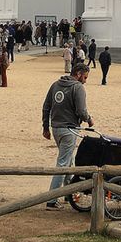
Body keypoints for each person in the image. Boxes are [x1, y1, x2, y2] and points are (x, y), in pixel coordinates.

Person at [42, 59, 93, 210]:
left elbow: (46, 107)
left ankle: (69, 193)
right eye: (85, 78)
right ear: (78, 74)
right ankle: (52, 199)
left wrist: (45, 127)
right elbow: (81, 111)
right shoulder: (77, 88)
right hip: (69, 129)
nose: (85, 81)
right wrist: (89, 119)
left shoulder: (56, 84)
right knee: (63, 164)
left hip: (56, 128)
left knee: (68, 160)